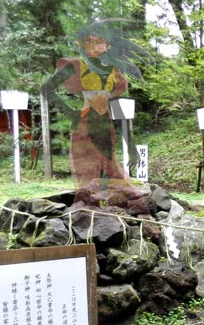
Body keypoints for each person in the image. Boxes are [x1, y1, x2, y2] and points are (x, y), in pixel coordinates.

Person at [41, 19, 150, 211]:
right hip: (83, 128)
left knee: (118, 178)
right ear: (81, 43)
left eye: (100, 42)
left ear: (108, 45)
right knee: (85, 182)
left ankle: (118, 217)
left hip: (106, 128)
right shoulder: (75, 66)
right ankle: (87, 219)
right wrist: (71, 112)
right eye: (90, 41)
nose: (95, 47)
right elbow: (47, 89)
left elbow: (116, 106)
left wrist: (130, 143)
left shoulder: (115, 73)